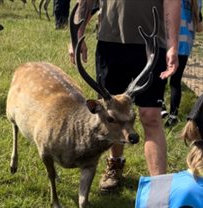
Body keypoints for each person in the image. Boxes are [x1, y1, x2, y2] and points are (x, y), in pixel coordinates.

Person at [70, 0, 180, 191]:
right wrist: (77, 36)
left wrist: (172, 46)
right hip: (111, 43)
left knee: (151, 117)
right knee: (112, 112)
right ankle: (115, 164)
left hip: (151, 48)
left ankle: (159, 186)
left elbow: (172, 2)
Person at [161, 0, 203, 127]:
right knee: (176, 81)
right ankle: (173, 115)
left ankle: (160, 105)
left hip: (168, 42)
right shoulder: (197, 2)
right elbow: (199, 28)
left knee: (162, 74)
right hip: (185, 45)